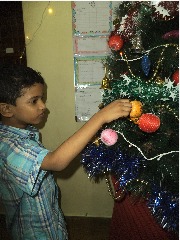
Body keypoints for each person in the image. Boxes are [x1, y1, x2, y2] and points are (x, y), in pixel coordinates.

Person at [0, 64, 132, 240]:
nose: (43, 106)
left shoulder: (26, 131)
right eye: (34, 101)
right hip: (33, 233)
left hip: (51, 223)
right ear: (7, 109)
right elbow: (56, 161)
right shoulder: (8, 146)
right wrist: (100, 117)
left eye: (42, 99)